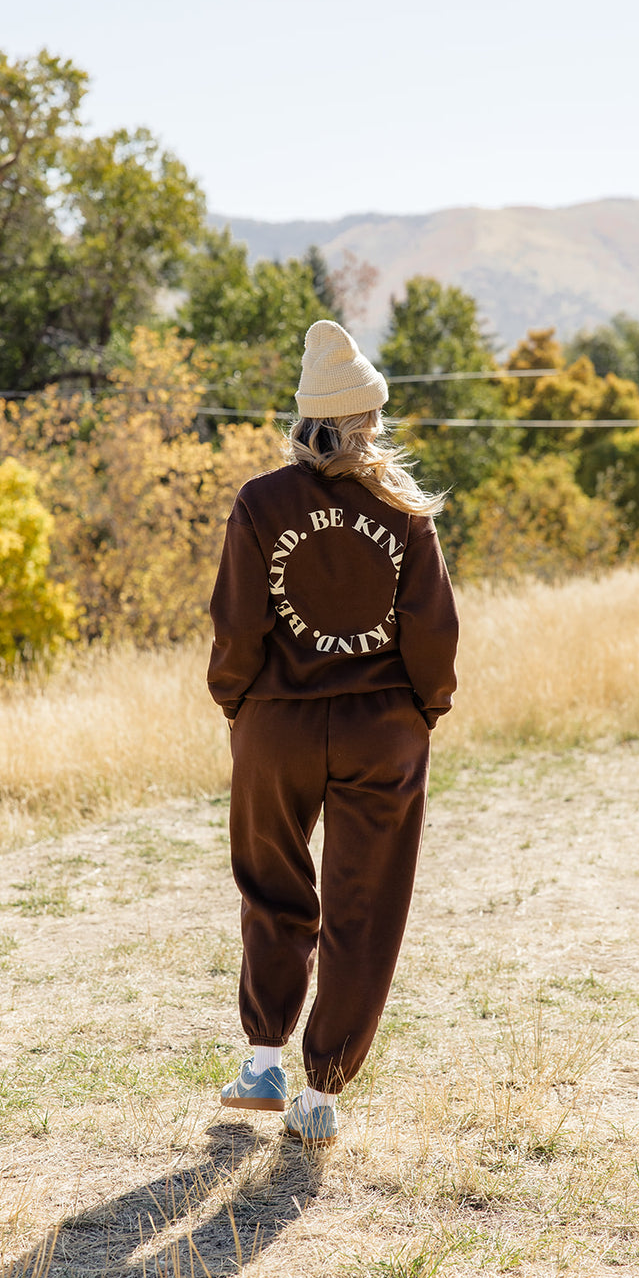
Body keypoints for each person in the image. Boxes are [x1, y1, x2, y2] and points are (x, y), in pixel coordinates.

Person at [207, 318, 459, 1146]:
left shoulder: (259, 502)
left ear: (304, 418)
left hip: (275, 728)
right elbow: (433, 633)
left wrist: (237, 704)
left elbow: (238, 627)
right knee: (365, 905)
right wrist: (425, 710)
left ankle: (262, 1063)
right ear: (369, 420)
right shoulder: (403, 512)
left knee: (272, 888)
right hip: (381, 729)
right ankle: (322, 1098)